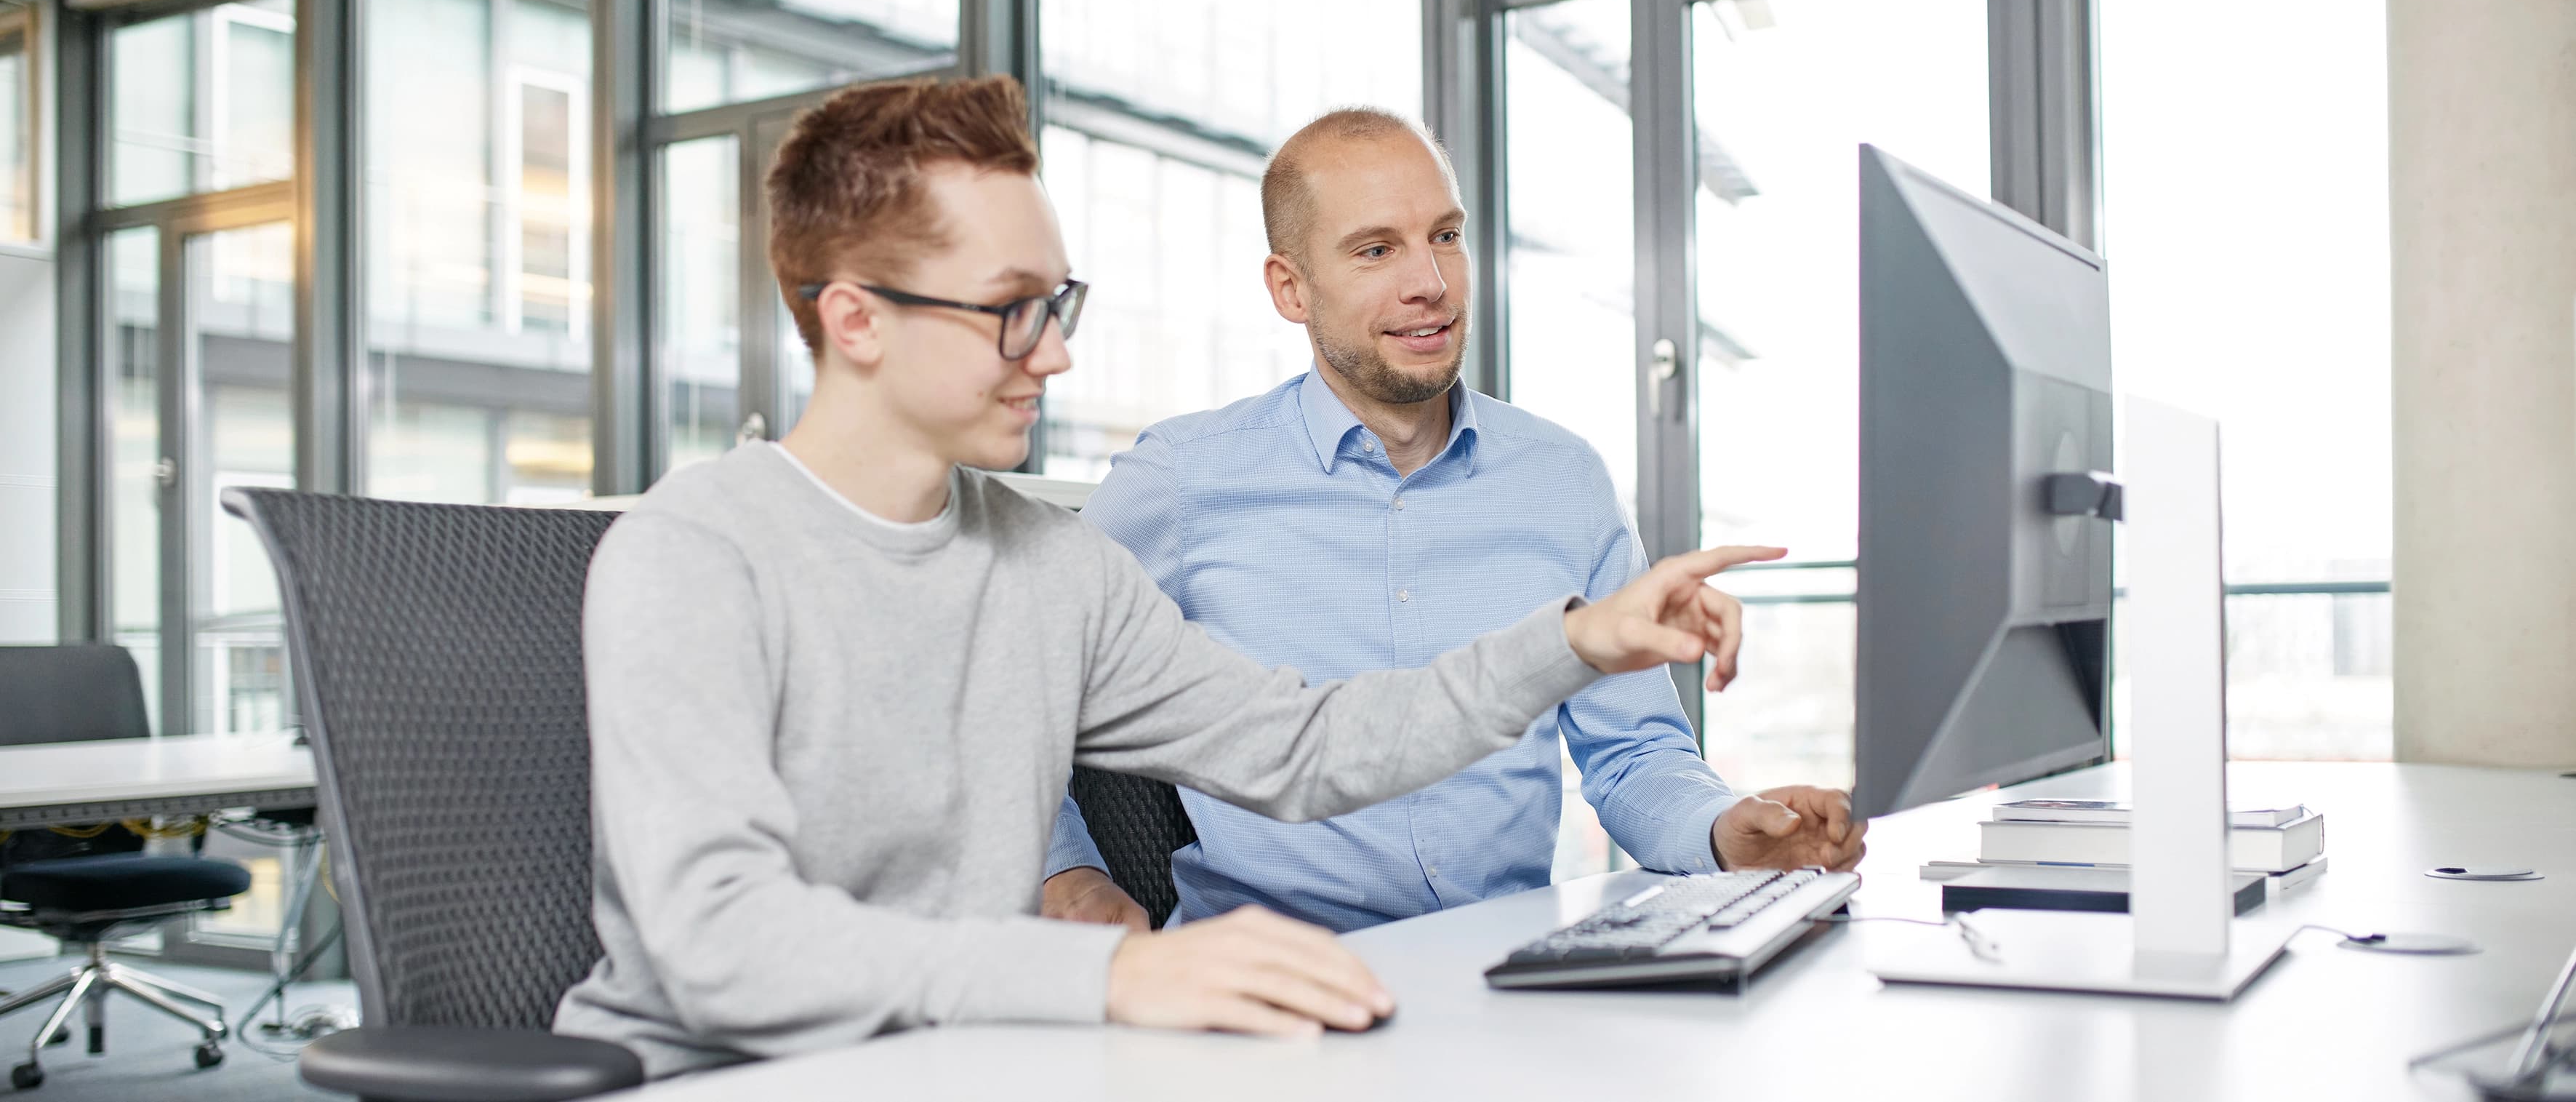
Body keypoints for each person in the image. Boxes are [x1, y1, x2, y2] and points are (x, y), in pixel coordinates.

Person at [550, 76, 1781, 1077]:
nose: (1060, 351)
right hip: (712, 1081)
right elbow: (718, 940)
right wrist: (1108, 972)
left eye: (1058, 301)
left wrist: (1575, 640)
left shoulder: (1047, 568)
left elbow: (1305, 747)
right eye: (1010, 309)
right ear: (855, 317)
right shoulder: (695, 550)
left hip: (968, 1066)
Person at [1041, 108, 1864, 936]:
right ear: (1291, 288)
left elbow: (1634, 752)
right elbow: (1009, 677)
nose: (1429, 282)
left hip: (1501, 971)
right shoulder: (1186, 478)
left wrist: (1724, 833)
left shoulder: (1562, 478)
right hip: (1270, 981)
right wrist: (1063, 870)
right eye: (1376, 250)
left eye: (1446, 236)